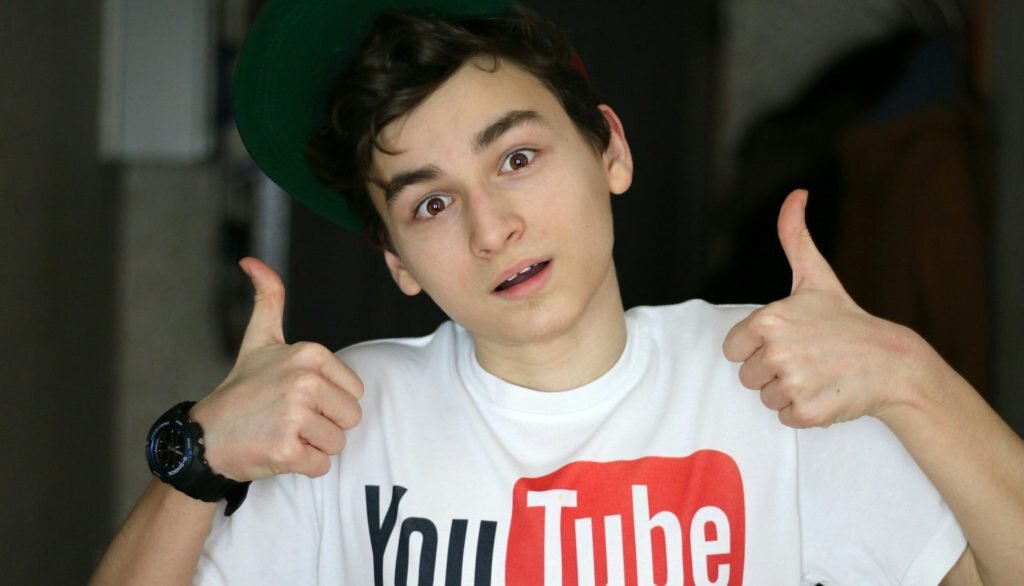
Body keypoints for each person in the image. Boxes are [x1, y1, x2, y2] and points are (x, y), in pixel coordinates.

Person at [91, 1, 1024, 584]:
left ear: (610, 149)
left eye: (518, 158)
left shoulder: (773, 378)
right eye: (430, 203)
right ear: (398, 261)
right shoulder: (344, 419)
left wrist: (907, 373)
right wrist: (199, 456)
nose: (491, 227)